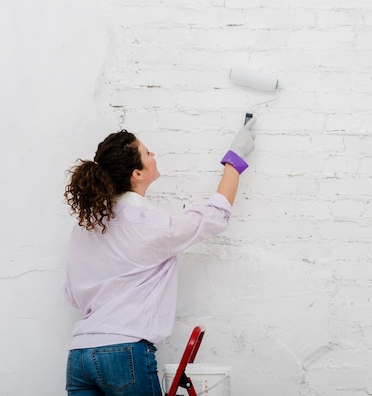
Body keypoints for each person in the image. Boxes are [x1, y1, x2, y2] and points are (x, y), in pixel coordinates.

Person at [63, 118, 256, 396]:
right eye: (148, 153)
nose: (154, 157)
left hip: (79, 355)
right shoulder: (151, 225)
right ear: (137, 174)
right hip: (124, 354)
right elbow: (216, 215)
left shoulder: (84, 227)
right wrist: (234, 159)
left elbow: (71, 295)